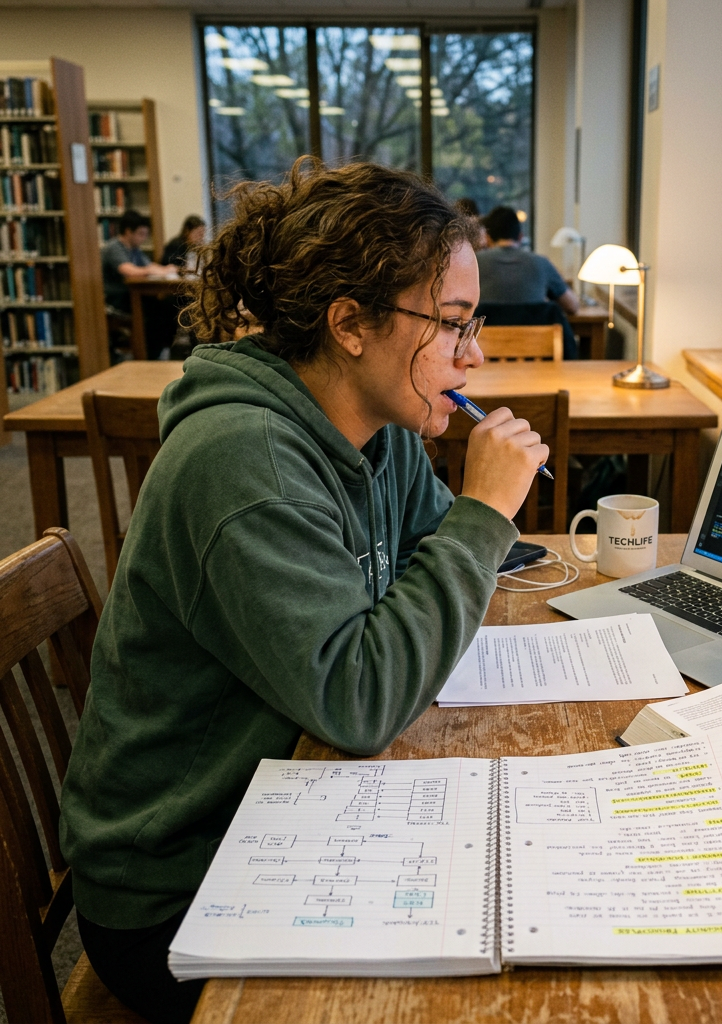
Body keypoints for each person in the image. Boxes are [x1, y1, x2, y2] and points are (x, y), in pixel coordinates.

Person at [59, 159, 547, 1024]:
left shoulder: (375, 425)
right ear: (350, 324)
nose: (474, 355)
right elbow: (357, 700)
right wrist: (484, 512)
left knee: (512, 891)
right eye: (452, 325)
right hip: (178, 879)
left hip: (279, 805)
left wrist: (471, 527)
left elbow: (431, 550)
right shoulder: (245, 463)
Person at [477, 205, 580, 316]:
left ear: (487, 238)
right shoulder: (541, 263)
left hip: (486, 333)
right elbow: (572, 306)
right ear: (520, 237)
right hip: (535, 333)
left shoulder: (475, 263)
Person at [101, 210, 176, 359]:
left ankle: (157, 351)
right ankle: (148, 355)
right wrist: (153, 270)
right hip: (117, 299)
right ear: (128, 232)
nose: (144, 238)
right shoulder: (114, 247)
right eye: (141, 234)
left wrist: (166, 269)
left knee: (168, 305)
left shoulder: (134, 250)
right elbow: (128, 270)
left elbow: (148, 266)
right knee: (157, 312)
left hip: (133, 297)